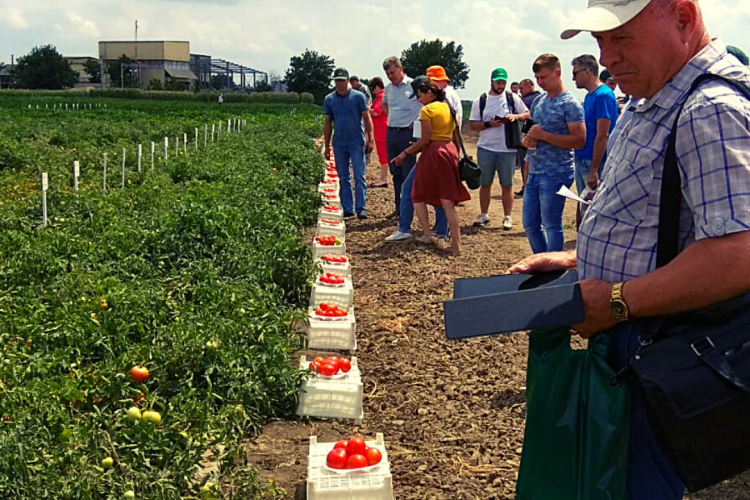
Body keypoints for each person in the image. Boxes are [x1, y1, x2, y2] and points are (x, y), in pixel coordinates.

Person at [510, 1, 750, 499]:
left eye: (622, 39)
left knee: (634, 482)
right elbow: (669, 227)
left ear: (683, 18)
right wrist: (579, 259)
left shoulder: (709, 109)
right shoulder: (654, 97)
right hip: (637, 329)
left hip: (659, 344)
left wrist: (618, 299)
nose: (608, 57)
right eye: (600, 43)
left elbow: (737, 254)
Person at [393, 79, 470, 255]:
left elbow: (425, 140)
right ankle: (456, 244)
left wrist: (405, 153)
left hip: (433, 153)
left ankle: (428, 233)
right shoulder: (449, 108)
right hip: (449, 150)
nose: (419, 99)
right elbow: (455, 135)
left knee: (416, 194)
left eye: (420, 96)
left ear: (429, 94)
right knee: (447, 200)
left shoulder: (427, 110)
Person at [521, 54, 585, 254]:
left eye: (544, 78)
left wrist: (545, 136)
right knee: (530, 223)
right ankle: (543, 262)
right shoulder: (539, 100)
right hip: (536, 169)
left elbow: (579, 140)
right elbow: (531, 130)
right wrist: (528, 140)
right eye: (537, 78)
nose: (540, 83)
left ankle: (554, 271)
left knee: (551, 224)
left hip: (556, 171)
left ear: (557, 73)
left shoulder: (570, 104)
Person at [468, 68, 529, 230]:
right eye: (498, 82)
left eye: (503, 82)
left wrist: (515, 117)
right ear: (491, 81)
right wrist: (488, 124)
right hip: (486, 148)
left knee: (507, 184)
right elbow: (472, 124)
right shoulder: (480, 101)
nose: (501, 85)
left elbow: (527, 114)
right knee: (485, 183)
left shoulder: (512, 98)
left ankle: (507, 217)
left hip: (507, 149)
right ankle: (483, 214)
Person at [323, 67, 375, 220]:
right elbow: (327, 124)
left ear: (348, 81)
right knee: (343, 177)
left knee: (359, 175)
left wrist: (370, 138)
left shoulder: (358, 97)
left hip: (356, 142)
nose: (340, 84)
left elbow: (367, 119)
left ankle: (361, 208)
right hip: (339, 143)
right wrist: (327, 146)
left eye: (342, 80)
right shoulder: (329, 99)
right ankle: (347, 208)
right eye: (337, 81)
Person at [382, 56, 423, 235]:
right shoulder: (389, 88)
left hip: (408, 133)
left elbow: (424, 105)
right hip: (392, 132)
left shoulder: (413, 85)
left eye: (393, 72)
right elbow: (385, 105)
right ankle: (399, 209)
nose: (391, 76)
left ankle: (409, 213)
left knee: (408, 174)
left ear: (401, 69)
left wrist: (416, 123)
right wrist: (393, 118)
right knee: (395, 173)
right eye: (388, 74)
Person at [571, 55, 617, 208]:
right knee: (583, 208)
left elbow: (603, 135)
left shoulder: (603, 95)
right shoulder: (591, 96)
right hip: (583, 159)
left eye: (575, 73)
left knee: (592, 209)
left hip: (593, 162)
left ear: (588, 72)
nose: (573, 78)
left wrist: (594, 170)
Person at [515, 79, 543, 197]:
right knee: (525, 163)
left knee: (527, 164)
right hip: (528, 134)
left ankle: (527, 187)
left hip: (532, 137)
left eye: (522, 89)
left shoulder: (534, 99)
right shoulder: (537, 98)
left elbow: (523, 106)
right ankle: (526, 186)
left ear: (531, 86)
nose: (520, 92)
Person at [368, 77, 389, 188]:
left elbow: (376, 112)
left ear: (377, 87)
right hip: (381, 128)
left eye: (372, 88)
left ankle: (383, 178)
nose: (372, 91)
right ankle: (383, 177)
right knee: (383, 153)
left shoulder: (381, 97)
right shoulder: (382, 96)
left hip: (382, 129)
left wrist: (365, 109)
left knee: (383, 153)